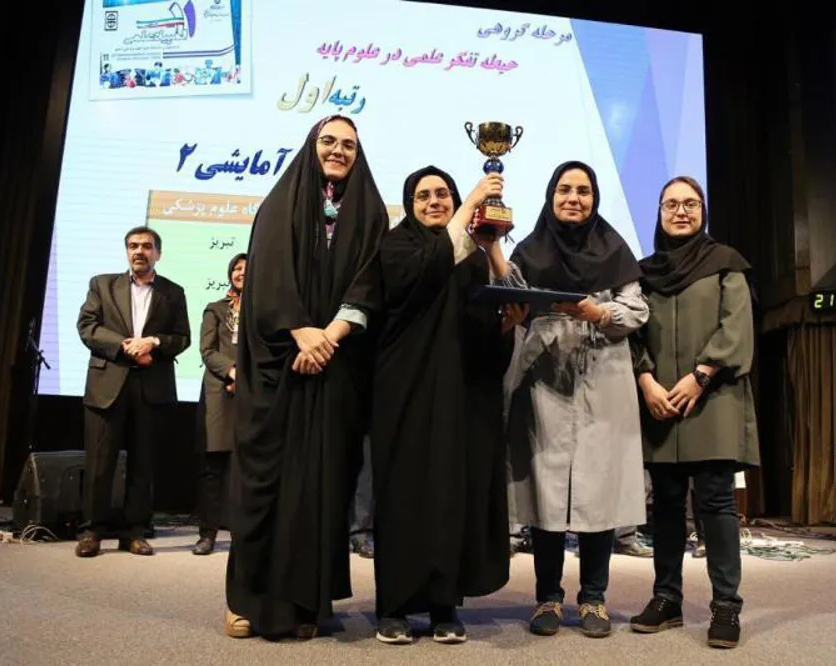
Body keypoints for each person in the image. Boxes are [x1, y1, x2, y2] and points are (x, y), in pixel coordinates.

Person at [224, 115, 387, 640]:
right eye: (329, 141)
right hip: (281, 367)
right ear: (312, 146)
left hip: (336, 368)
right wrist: (299, 330)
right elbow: (268, 276)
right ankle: (245, 600)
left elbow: (370, 284)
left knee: (321, 489)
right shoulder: (280, 204)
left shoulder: (370, 213)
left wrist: (328, 338)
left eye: (349, 145)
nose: (338, 150)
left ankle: (306, 604)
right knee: (266, 487)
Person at [490, 161, 648, 639]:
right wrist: (492, 246)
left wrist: (596, 311)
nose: (573, 198)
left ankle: (594, 597)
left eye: (583, 190)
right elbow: (511, 293)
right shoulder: (530, 248)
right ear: (551, 196)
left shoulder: (615, 249)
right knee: (548, 490)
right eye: (564, 189)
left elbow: (637, 309)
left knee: (599, 490)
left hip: (603, 371)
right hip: (544, 374)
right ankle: (548, 597)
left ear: (595, 198)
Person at [370, 166, 522, 645]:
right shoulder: (396, 246)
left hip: (457, 396)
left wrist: (503, 327)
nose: (434, 202)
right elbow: (427, 270)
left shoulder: (472, 259)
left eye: (443, 194)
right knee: (403, 497)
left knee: (450, 498)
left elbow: (479, 330)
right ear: (409, 204)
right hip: (406, 393)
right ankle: (393, 608)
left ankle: (443, 605)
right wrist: (473, 199)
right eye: (423, 196)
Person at [627, 175, 759, 650]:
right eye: (671, 204)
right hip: (660, 401)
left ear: (703, 211)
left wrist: (700, 376)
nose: (680, 211)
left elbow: (736, 327)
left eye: (690, 204)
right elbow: (633, 335)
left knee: (716, 502)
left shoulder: (726, 263)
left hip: (713, 399)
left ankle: (726, 605)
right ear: (659, 212)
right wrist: (645, 380)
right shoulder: (643, 273)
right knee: (664, 504)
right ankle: (667, 599)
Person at [75, 226, 191, 557]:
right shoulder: (102, 284)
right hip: (107, 386)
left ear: (158, 253)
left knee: (143, 464)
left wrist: (153, 342)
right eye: (133, 246)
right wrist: (126, 346)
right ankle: (92, 532)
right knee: (100, 464)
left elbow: (182, 337)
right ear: (127, 251)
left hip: (151, 387)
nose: (139, 251)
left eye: (146, 246)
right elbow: (88, 327)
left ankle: (134, 533)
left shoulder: (173, 292)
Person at [193, 253, 246, 555]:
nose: (242, 273)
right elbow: (207, 350)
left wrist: (247, 378)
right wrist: (232, 372)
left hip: (253, 393)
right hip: (218, 393)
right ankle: (207, 534)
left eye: (248, 269)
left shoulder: (264, 308)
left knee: (245, 468)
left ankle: (243, 534)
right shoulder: (214, 308)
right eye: (237, 269)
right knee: (213, 467)